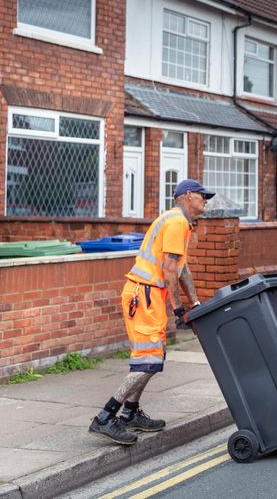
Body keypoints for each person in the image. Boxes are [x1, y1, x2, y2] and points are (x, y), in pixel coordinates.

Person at [87, 178, 213, 445]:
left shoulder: (180, 222)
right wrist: (179, 310)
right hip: (143, 296)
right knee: (147, 361)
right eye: (202, 195)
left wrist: (195, 302)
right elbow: (169, 271)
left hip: (147, 296)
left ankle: (130, 413)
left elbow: (181, 269)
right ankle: (105, 418)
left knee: (153, 360)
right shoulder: (177, 222)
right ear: (188, 195)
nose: (206, 200)